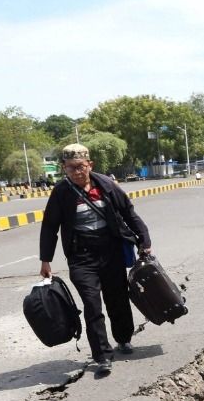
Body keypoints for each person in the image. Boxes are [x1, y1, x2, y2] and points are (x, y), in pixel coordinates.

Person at [39, 144, 152, 375]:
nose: (76, 172)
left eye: (80, 167)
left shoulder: (107, 185)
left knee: (117, 298)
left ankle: (123, 338)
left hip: (110, 251)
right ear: (64, 168)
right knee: (92, 304)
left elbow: (129, 213)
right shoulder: (61, 192)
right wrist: (45, 260)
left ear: (90, 165)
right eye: (71, 168)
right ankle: (102, 355)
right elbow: (50, 226)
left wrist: (145, 240)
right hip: (81, 257)